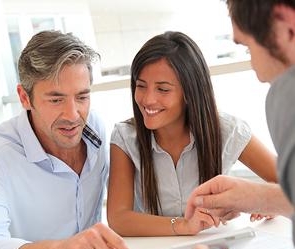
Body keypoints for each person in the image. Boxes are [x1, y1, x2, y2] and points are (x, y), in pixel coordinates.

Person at [151, 1, 295, 249]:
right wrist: (258, 197)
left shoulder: (286, 96)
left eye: (248, 49)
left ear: (286, 26)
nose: (256, 71)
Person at [0, 30, 131, 249]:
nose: (73, 115)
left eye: (82, 97)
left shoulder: (95, 130)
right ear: (25, 98)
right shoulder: (0, 156)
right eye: (56, 99)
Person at [107, 31, 277, 237]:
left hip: (216, 247)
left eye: (163, 89)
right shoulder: (125, 137)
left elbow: (285, 181)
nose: (148, 99)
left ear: (189, 92)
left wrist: (264, 201)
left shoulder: (226, 129)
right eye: (141, 86)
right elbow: (119, 218)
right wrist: (183, 225)